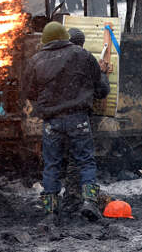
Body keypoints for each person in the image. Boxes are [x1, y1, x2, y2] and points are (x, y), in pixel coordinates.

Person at [22, 22, 110, 223]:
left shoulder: (35, 60)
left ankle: (51, 212)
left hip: (52, 122)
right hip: (79, 118)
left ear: (45, 40)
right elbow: (102, 90)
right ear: (64, 37)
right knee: (86, 161)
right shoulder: (83, 55)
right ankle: (90, 202)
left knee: (51, 165)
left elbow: (29, 92)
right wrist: (102, 73)